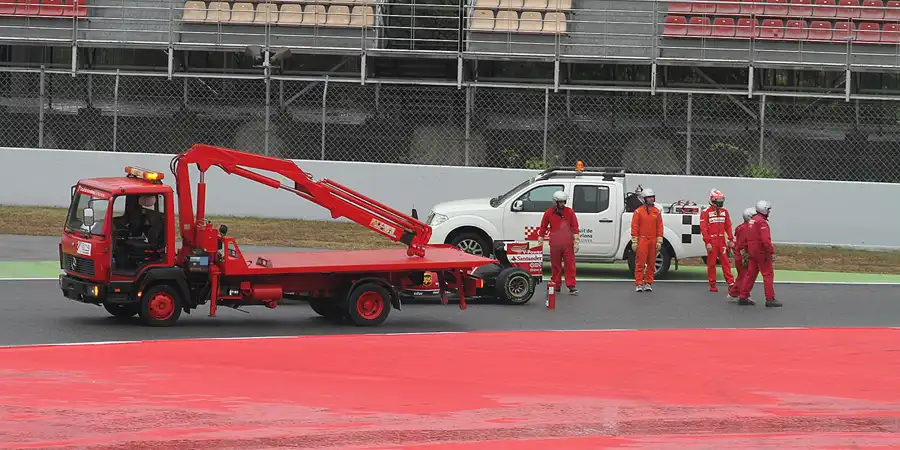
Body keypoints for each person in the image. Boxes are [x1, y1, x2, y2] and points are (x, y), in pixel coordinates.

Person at [737, 200, 782, 307]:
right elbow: (765, 240)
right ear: (764, 209)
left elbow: (746, 238)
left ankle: (743, 296)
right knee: (768, 275)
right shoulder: (761, 222)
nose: (769, 212)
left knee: (750, 275)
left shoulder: (751, 221)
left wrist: (747, 251)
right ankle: (770, 298)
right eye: (768, 210)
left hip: (752, 252)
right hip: (762, 253)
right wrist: (771, 252)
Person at [538, 190, 580, 295]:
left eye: (563, 202)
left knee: (570, 265)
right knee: (555, 265)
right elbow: (543, 226)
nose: (562, 204)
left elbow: (575, 226)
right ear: (555, 202)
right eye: (560, 202)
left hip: (567, 243)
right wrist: (540, 239)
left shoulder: (570, 212)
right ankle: (556, 284)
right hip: (555, 243)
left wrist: (576, 241)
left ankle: (571, 285)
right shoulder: (548, 213)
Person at [700, 189, 735, 293]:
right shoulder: (706, 212)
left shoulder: (725, 212)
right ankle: (712, 284)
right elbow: (703, 229)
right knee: (711, 264)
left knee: (726, 263)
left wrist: (730, 239)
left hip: (722, 242)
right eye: (718, 201)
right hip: (712, 242)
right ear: (712, 201)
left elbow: (728, 226)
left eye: (721, 201)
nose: (720, 204)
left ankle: (731, 283)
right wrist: (707, 242)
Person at [631, 188, 663, 292]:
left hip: (653, 240)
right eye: (649, 198)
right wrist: (635, 241)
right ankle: (639, 283)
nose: (651, 199)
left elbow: (660, 227)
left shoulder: (657, 212)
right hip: (642, 240)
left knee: (651, 263)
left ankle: (648, 283)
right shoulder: (638, 212)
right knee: (640, 263)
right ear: (644, 199)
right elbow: (634, 227)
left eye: (652, 197)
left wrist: (659, 241)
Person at [726, 207, 756, 302]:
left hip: (740, 255)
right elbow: (742, 244)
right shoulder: (746, 228)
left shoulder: (740, 227)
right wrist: (745, 257)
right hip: (743, 256)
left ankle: (740, 293)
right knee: (744, 277)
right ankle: (735, 293)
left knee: (743, 276)